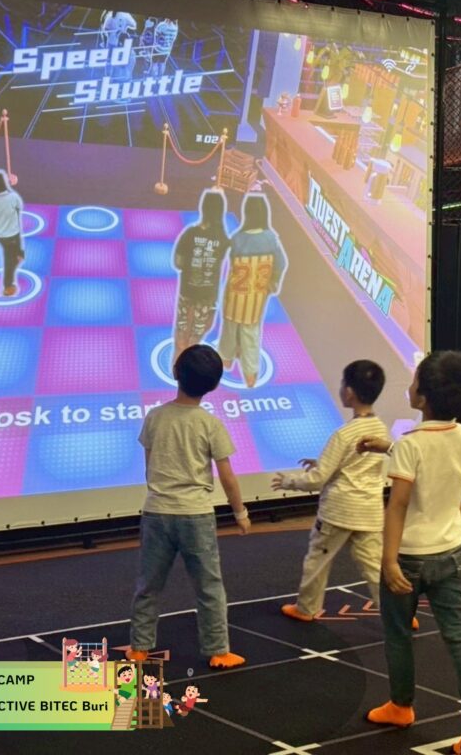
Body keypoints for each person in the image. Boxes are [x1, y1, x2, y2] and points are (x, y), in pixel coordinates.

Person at [358, 350, 461, 755]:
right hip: (450, 551)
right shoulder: (460, 433)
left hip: (409, 557)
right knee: (460, 636)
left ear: (424, 397)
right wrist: (390, 447)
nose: (411, 385)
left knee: (398, 634)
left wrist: (388, 560)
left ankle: (401, 706)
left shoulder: (410, 445)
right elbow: (428, 456)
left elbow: (397, 505)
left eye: (415, 380)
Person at [127, 345, 251, 670]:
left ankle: (140, 647)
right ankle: (218, 650)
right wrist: (240, 513)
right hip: (196, 515)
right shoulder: (210, 424)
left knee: (149, 584)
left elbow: (150, 465)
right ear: (214, 384)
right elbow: (227, 476)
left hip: (157, 512)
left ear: (175, 373)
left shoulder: (155, 417)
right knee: (209, 587)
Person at [271, 360, 391, 621]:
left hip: (338, 511)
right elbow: (354, 464)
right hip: (369, 511)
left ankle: (306, 608)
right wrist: (322, 462)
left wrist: (289, 482)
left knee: (317, 560)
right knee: (374, 565)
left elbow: (317, 479)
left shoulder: (344, 434)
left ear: (349, 391)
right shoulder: (380, 428)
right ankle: (398, 613)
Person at [218, 194, 287, 388]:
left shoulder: (237, 238)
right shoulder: (271, 238)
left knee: (230, 329)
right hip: (256, 297)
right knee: (250, 333)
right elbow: (281, 264)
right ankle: (250, 374)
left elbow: (232, 261)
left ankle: (226, 360)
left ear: (246, 213)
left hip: (234, 295)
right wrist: (272, 284)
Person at [172, 190, 232, 361]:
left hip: (187, 290)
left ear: (203, 208)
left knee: (182, 326)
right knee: (198, 329)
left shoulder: (190, 233)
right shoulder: (223, 238)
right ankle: (190, 356)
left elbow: (178, 262)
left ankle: (177, 358)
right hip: (208, 294)